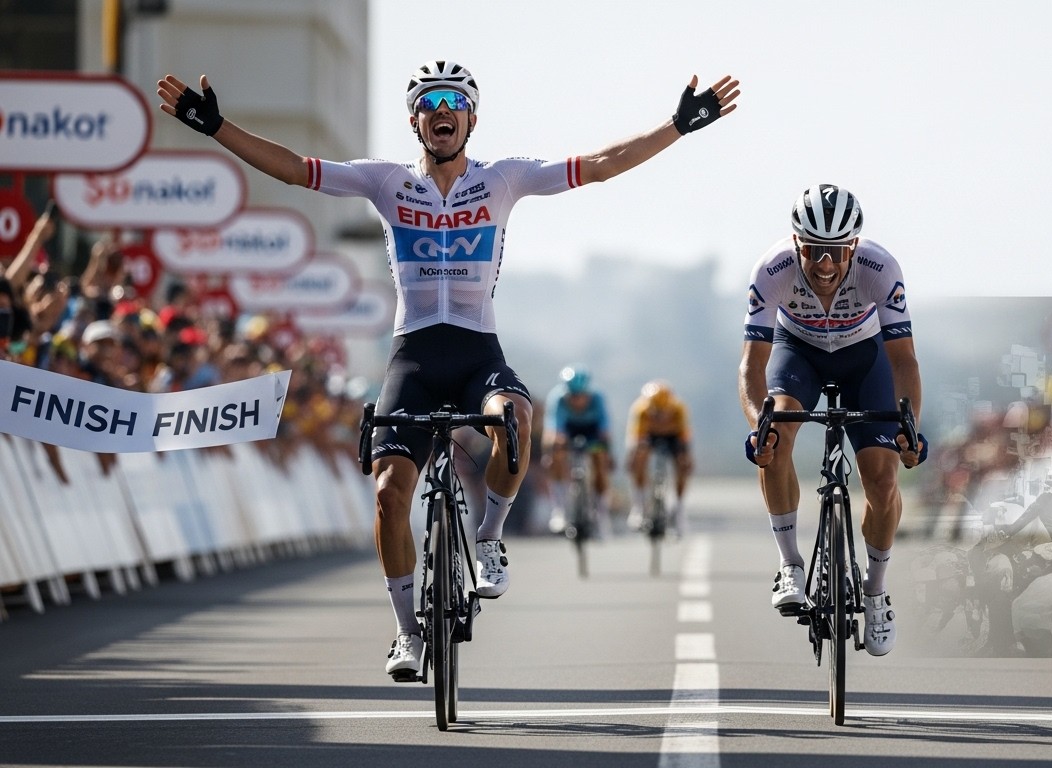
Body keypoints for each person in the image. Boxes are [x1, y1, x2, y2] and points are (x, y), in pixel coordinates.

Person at [158, 60, 740, 680]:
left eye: (454, 101)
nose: (442, 109)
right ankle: (407, 632)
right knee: (388, 494)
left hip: (476, 353)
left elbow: (597, 166)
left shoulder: (503, 181)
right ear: (416, 120)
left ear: (471, 119)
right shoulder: (386, 183)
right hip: (412, 356)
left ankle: (487, 537)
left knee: (514, 420)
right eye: (429, 101)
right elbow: (299, 170)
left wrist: (675, 126)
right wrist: (218, 127)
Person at [738, 183, 926, 657]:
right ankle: (790, 564)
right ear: (798, 244)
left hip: (865, 358)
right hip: (797, 353)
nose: (825, 265)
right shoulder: (771, 270)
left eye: (837, 253)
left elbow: (903, 361)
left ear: (854, 247)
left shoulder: (880, 269)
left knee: (882, 481)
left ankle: (876, 590)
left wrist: (909, 427)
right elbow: (752, 366)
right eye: (815, 252)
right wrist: (757, 428)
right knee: (775, 433)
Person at [543, 366, 614, 537]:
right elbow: (554, 427)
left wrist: (605, 453)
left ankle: (601, 514)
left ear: (587, 393)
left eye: (580, 396)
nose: (576, 401)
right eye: (572, 397)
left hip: (592, 431)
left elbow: (604, 430)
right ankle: (559, 509)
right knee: (554, 450)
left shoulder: (597, 398)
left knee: (600, 459)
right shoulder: (558, 398)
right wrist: (553, 450)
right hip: (568, 429)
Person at [625, 379, 693, 535]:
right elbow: (635, 440)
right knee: (639, 457)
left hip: (673, 436)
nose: (660, 417)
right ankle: (639, 506)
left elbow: (685, 440)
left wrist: (686, 460)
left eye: (664, 413)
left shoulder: (679, 409)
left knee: (682, 464)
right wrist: (633, 461)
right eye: (656, 412)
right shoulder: (641, 409)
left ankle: (679, 508)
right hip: (648, 435)